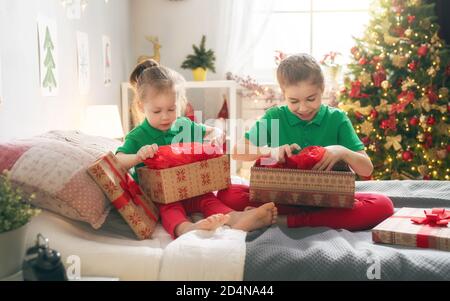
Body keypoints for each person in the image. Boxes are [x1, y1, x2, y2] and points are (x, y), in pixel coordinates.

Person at [217, 53, 394, 231]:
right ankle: (301, 217)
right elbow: (238, 150)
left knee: (383, 204)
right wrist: (270, 151)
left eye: (311, 99)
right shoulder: (275, 117)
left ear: (322, 90)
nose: (303, 108)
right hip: (283, 199)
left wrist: (342, 151)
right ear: (283, 94)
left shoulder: (337, 118)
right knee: (227, 193)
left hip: (327, 202)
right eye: (293, 101)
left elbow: (367, 169)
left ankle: (284, 220)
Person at [116, 59, 277, 239]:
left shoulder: (183, 124)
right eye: (157, 111)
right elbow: (118, 160)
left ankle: (235, 218)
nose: (165, 117)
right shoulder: (138, 136)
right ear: (141, 106)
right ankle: (186, 228)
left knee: (208, 198)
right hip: (161, 197)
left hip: (191, 188)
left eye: (171, 109)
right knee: (170, 209)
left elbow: (210, 130)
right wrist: (138, 156)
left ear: (180, 103)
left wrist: (216, 134)